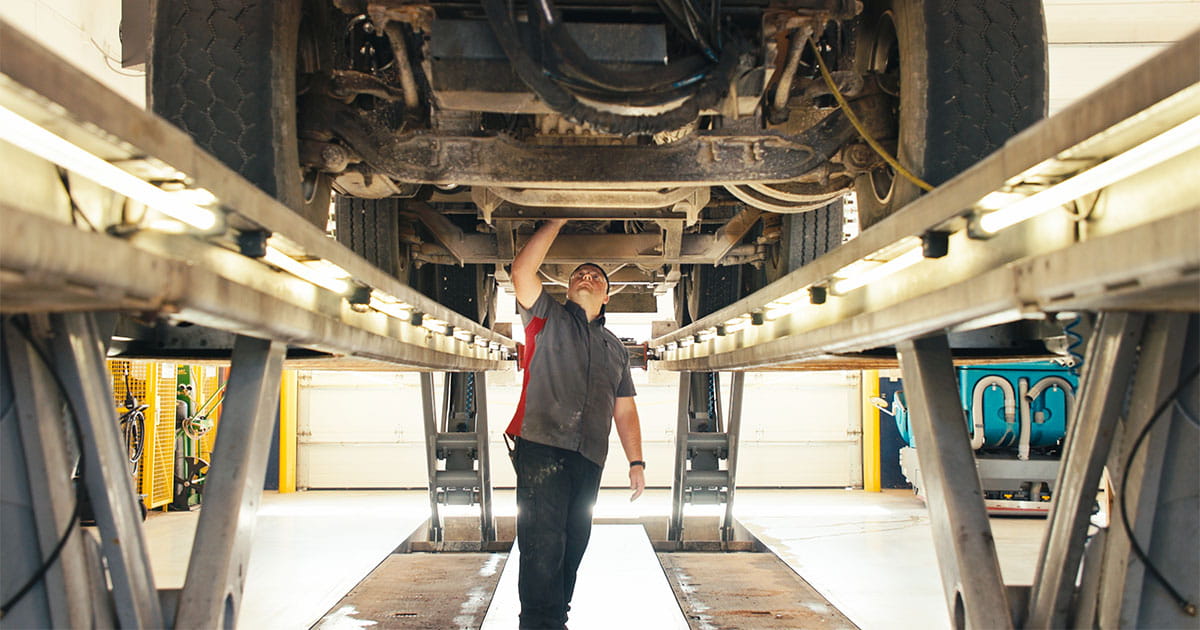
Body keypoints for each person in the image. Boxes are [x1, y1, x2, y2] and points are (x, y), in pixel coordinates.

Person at [503, 218, 645, 630]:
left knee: (572, 544)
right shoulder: (544, 316)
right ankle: (538, 624)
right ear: (567, 288)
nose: (587, 276)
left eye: (596, 276)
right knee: (542, 543)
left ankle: (554, 619)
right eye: (579, 274)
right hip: (541, 446)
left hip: (589, 457)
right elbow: (520, 273)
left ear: (607, 293)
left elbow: (625, 409)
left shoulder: (615, 347)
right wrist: (557, 220)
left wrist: (637, 463)